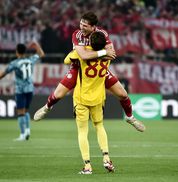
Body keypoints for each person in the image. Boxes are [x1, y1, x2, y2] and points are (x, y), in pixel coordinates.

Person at [34, 12, 145, 132]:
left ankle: (130, 117)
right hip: (78, 68)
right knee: (58, 94)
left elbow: (112, 54)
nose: (81, 27)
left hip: (98, 69)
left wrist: (93, 55)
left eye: (85, 26)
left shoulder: (102, 34)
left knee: (123, 94)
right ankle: (46, 108)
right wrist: (102, 53)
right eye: (81, 24)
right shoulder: (77, 35)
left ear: (93, 27)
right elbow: (84, 55)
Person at [69, 31, 114, 174]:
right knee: (100, 126)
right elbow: (109, 52)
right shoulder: (108, 56)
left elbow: (66, 60)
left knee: (83, 131)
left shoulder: (82, 53)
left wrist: (79, 49)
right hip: (99, 97)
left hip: (81, 98)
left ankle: (87, 166)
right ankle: (106, 158)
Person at [0, 42, 45, 141]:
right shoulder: (30, 60)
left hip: (20, 90)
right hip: (30, 89)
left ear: (17, 52)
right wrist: (36, 45)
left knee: (20, 112)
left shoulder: (15, 63)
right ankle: (28, 130)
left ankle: (22, 134)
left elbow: (3, 74)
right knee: (26, 111)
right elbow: (42, 54)